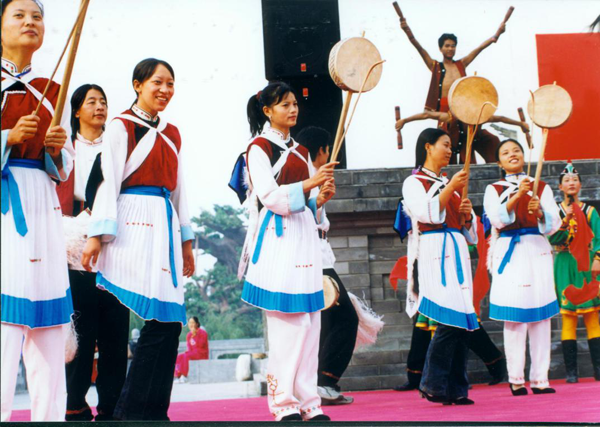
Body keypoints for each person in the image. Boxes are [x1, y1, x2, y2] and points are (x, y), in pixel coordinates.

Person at [81, 58, 195, 420]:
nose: (164, 90)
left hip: (165, 223)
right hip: (131, 222)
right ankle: (130, 413)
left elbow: (180, 190)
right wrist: (97, 236)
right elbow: (108, 180)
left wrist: (187, 243)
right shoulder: (120, 126)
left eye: (170, 83)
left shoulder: (173, 133)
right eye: (157, 82)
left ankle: (153, 412)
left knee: (169, 321)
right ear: (137, 85)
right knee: (155, 318)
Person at [239, 82, 336, 421]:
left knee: (310, 323)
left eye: (295, 103)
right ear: (267, 110)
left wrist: (320, 199)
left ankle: (309, 403)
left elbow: (308, 202)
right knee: (288, 326)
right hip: (278, 239)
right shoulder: (258, 148)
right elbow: (271, 197)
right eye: (284, 105)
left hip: (304, 237)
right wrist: (310, 185)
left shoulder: (301, 150)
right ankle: (283, 404)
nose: (293, 109)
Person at [1, 0, 75, 421]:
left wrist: (57, 151)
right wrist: (7, 137)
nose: (30, 22)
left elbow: (63, 169)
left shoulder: (51, 89)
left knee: (48, 325)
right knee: (5, 324)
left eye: (37, 17)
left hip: (43, 208)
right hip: (5, 209)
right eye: (19, 15)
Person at [59, 84, 130, 421]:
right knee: (81, 330)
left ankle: (112, 407)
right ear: (76, 111)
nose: (100, 107)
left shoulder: (117, 147)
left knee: (115, 331)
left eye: (103, 101)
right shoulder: (64, 149)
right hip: (73, 245)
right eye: (91, 102)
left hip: (115, 244)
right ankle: (75, 405)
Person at [401, 128, 479, 405]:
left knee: (461, 319)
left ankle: (455, 388)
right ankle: (432, 383)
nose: (449, 150)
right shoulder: (414, 182)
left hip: (456, 247)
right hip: (434, 249)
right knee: (449, 317)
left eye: (450, 146)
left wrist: (468, 218)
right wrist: (450, 188)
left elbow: (470, 234)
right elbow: (426, 213)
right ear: (428, 147)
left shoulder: (449, 183)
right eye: (444, 145)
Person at [483, 139, 560, 396]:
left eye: (516, 150)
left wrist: (540, 213)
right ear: (499, 162)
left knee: (541, 317)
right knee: (515, 317)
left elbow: (554, 223)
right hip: (510, 251)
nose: (512, 154)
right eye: (506, 152)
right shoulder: (494, 189)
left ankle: (540, 379)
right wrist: (518, 195)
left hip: (537, 249)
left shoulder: (541, 186)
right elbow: (496, 219)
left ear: (523, 155)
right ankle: (516, 379)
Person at [296, 126, 358, 406]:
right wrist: (317, 200)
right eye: (326, 150)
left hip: (320, 252)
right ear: (321, 150)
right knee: (345, 318)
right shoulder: (304, 177)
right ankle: (324, 381)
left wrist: (321, 201)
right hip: (312, 256)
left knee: (327, 321)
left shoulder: (316, 177)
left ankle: (319, 383)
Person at [397, 12, 508, 163]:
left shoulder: (461, 64)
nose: (450, 48)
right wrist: (407, 30)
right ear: (441, 48)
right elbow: (419, 48)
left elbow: (480, 48)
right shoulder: (435, 66)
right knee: (445, 144)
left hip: (463, 110)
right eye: (447, 46)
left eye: (453, 46)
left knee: (469, 143)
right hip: (445, 113)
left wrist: (496, 35)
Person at [548, 162, 600, 382]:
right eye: (567, 180)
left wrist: (597, 259)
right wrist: (565, 220)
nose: (571, 183)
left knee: (592, 315)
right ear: (560, 186)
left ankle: (598, 369)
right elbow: (553, 238)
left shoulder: (590, 211)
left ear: (580, 185)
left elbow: (599, 237)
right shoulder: (555, 212)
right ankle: (571, 372)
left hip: (586, 262)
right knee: (568, 316)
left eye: (575, 180)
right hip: (564, 262)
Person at [174, 316, 209, 383]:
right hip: (193, 353)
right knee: (179, 357)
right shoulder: (189, 335)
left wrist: (195, 335)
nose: (191, 324)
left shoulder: (203, 333)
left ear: (197, 323)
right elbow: (189, 348)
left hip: (202, 353)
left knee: (186, 356)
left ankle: (185, 376)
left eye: (193, 322)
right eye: (189, 323)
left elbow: (201, 345)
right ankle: (178, 376)